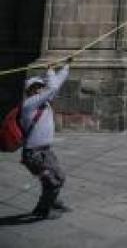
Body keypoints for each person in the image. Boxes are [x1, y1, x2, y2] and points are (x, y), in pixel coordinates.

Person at [20, 61, 72, 219]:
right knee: (53, 181)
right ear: (29, 90)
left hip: (45, 151)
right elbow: (53, 88)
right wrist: (50, 70)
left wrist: (66, 67)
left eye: (40, 86)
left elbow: (56, 85)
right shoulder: (29, 104)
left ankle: (52, 201)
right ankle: (42, 210)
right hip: (34, 155)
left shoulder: (45, 103)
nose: (39, 89)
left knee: (58, 177)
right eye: (35, 87)